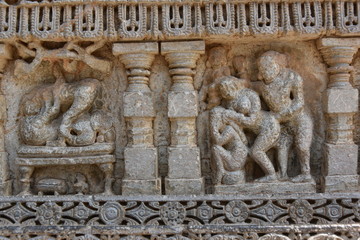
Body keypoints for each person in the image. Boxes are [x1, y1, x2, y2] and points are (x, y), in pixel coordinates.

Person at [257, 51, 313, 182]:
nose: (266, 71)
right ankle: (282, 174)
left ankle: (306, 173)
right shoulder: (262, 85)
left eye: (270, 66)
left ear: (278, 65)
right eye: (262, 68)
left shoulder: (292, 77)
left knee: (302, 146)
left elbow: (299, 102)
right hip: (281, 123)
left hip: (299, 119)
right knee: (281, 148)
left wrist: (281, 115)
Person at [219, 77, 281, 182]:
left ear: (234, 86)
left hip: (269, 126)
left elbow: (251, 121)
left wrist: (234, 116)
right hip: (253, 132)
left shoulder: (249, 95)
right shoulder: (229, 104)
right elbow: (235, 125)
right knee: (247, 151)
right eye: (223, 91)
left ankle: (271, 175)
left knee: (255, 152)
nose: (226, 93)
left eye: (228, 89)